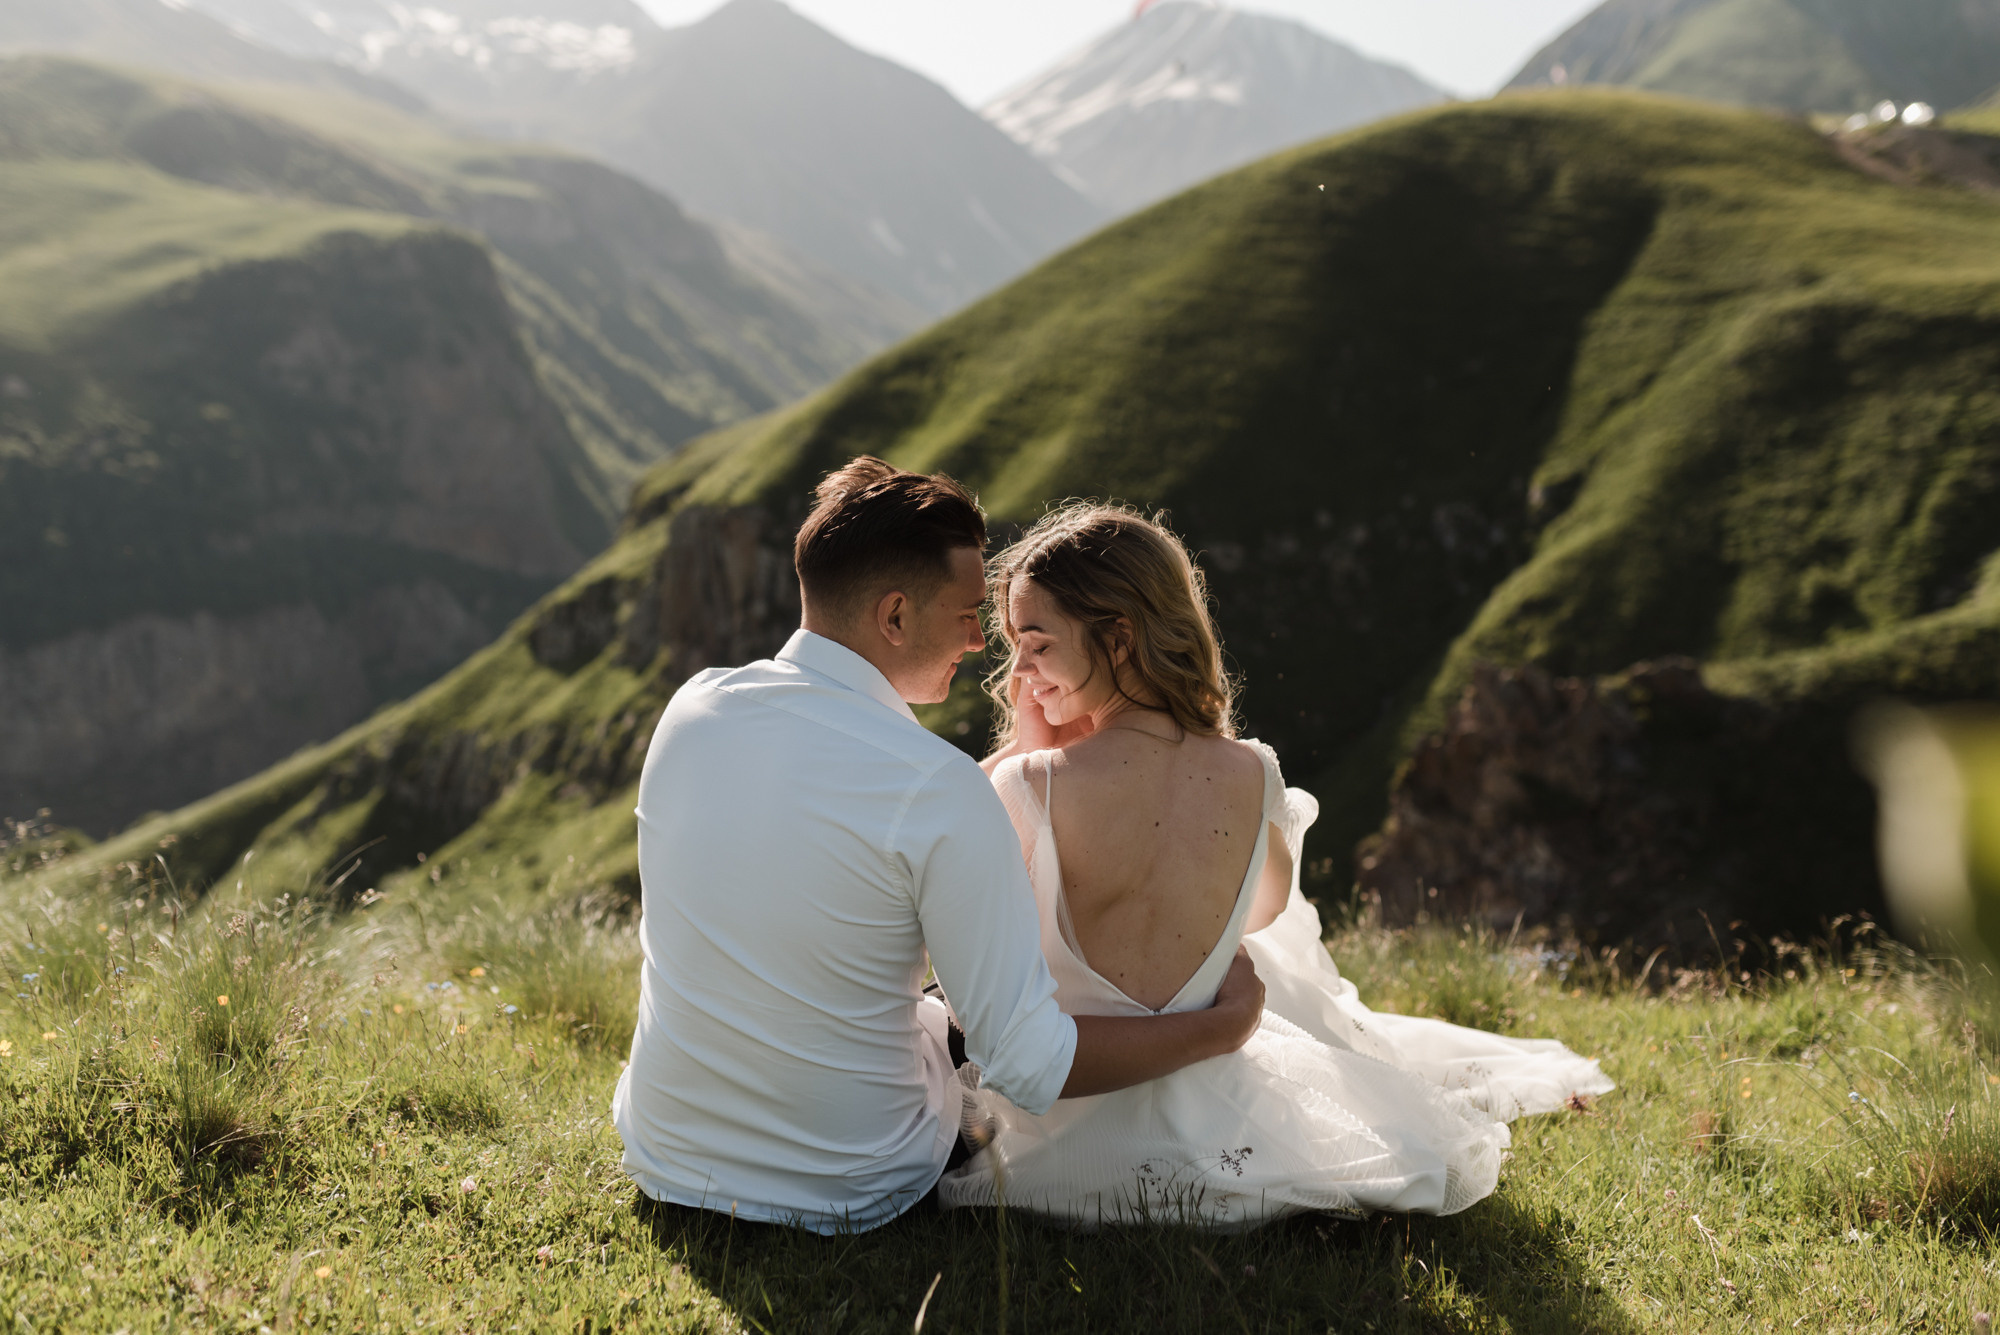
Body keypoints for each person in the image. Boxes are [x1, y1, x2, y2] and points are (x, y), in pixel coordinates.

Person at [611, 460, 1266, 1234]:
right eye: (963, 613)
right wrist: (1219, 1027)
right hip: (857, 1184)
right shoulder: (939, 786)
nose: (977, 640)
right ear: (894, 616)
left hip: (669, 1156)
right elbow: (1027, 1064)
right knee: (949, 1022)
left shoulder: (691, 708)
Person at [937, 503, 1613, 1229]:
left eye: (1036, 645)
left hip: (1063, 1136)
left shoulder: (1025, 785)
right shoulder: (1254, 773)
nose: (1019, 674)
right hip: (1211, 1116)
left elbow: (961, 959)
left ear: (1120, 637)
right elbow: (1259, 914)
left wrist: (1019, 750)